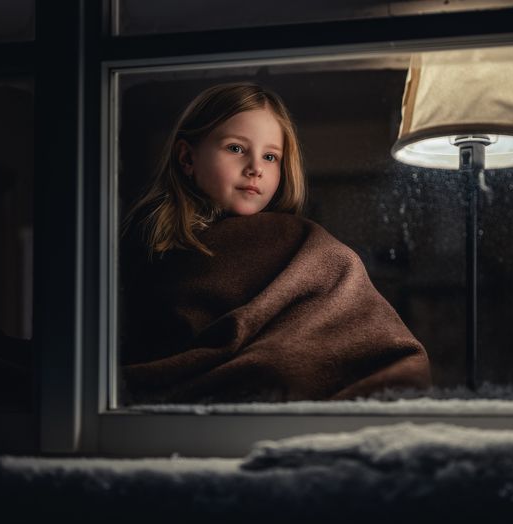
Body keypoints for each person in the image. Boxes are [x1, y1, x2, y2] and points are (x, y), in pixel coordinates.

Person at [119, 82, 431, 404]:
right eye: (236, 148)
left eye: (270, 156)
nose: (255, 168)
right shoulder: (147, 245)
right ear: (187, 158)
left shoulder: (294, 238)